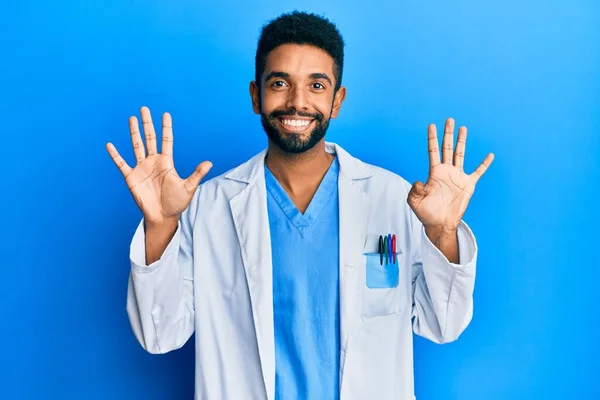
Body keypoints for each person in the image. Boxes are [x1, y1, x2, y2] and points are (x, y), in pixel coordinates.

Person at [106, 10, 494, 400]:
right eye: (279, 83)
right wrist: (159, 225)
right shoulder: (207, 206)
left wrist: (442, 233)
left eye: (317, 85)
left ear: (337, 100)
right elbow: (159, 335)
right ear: (256, 95)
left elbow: (442, 324)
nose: (297, 102)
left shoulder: (393, 199)